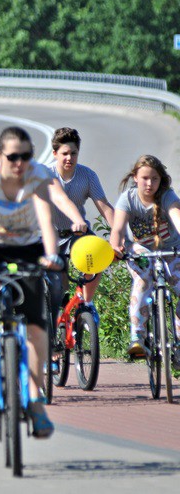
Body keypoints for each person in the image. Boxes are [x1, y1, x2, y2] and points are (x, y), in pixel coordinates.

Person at [0, 126, 79, 440]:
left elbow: (46, 221)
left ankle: (34, 398)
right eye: (13, 156)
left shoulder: (37, 176)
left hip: (27, 244)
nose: (19, 162)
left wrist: (50, 256)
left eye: (26, 156)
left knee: (36, 325)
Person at [109, 154, 180, 363]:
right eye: (145, 178)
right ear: (135, 178)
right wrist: (116, 246)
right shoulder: (128, 199)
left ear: (161, 179)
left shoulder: (167, 196)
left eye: (155, 179)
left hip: (171, 251)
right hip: (142, 251)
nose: (149, 184)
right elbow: (118, 229)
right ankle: (137, 338)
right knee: (142, 281)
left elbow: (176, 215)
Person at [47, 127, 115, 318]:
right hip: (50, 237)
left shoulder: (87, 175)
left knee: (98, 252)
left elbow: (105, 206)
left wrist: (120, 236)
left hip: (77, 233)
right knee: (58, 291)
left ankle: (86, 303)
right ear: (55, 154)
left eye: (74, 153)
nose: (69, 158)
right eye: (64, 153)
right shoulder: (46, 174)